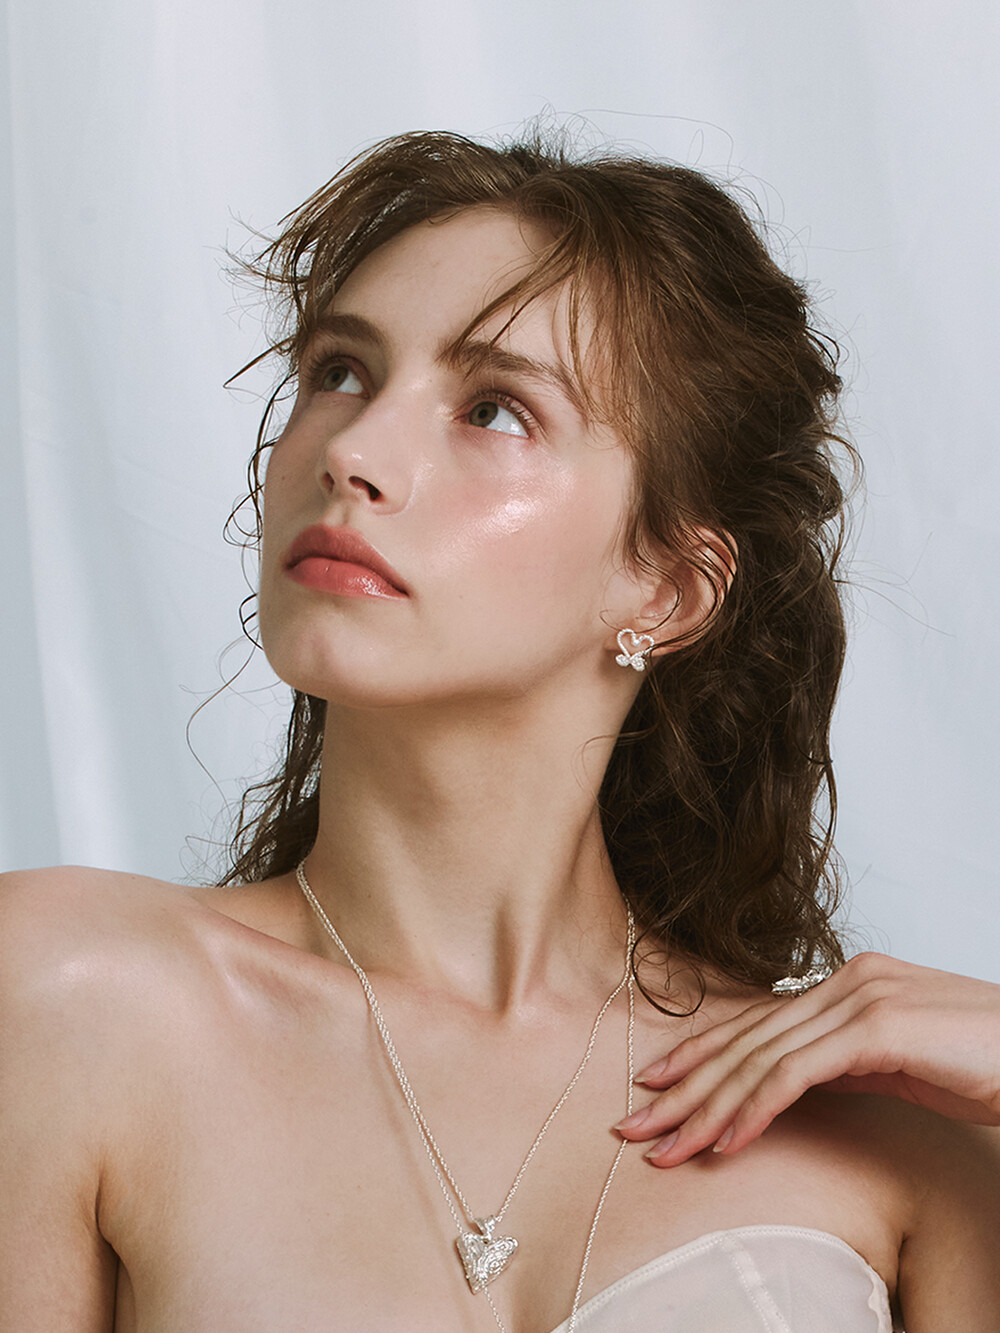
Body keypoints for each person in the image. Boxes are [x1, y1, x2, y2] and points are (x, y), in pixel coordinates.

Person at [1, 128, 998, 1333]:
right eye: (339, 372)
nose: (352, 454)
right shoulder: (64, 996)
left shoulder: (891, 1121)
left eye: (493, 409)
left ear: (665, 589)